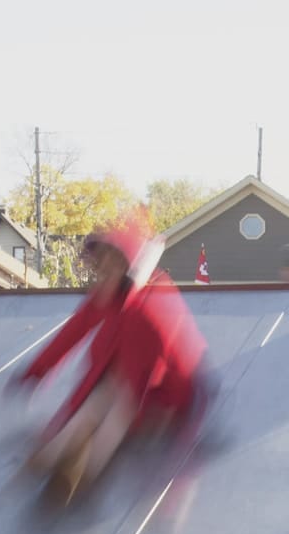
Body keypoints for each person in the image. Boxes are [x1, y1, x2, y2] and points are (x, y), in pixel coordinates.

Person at [11, 212, 209, 502]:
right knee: (94, 405)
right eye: (99, 266)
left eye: (110, 266)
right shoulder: (105, 297)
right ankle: (53, 458)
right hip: (120, 374)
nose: (101, 273)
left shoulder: (151, 310)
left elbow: (176, 364)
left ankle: (84, 475)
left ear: (127, 271)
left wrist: (180, 420)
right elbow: (70, 335)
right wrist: (36, 371)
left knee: (116, 410)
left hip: (160, 390)